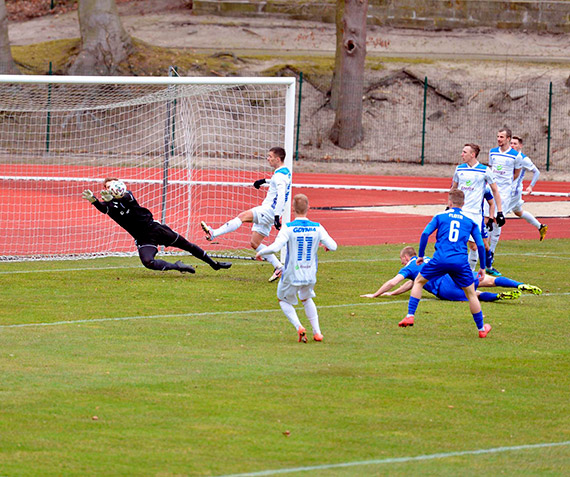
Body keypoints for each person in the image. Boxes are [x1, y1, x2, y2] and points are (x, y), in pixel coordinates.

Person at [82, 178, 231, 274]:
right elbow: (104, 208)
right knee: (148, 262)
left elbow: (126, 198)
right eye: (108, 187)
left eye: (114, 186)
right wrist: (94, 200)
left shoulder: (128, 195)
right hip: (142, 238)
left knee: (187, 245)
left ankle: (215, 264)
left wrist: (116, 197)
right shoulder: (109, 205)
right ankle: (178, 266)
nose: (111, 188)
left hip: (155, 229)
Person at [399, 189, 492, 338]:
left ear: (449, 202)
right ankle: (481, 329)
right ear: (464, 203)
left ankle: (410, 315)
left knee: (418, 281)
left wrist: (421, 256)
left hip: (440, 259)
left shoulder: (440, 216)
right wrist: (482, 267)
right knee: (471, 294)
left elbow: (424, 234)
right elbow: (480, 245)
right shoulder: (470, 221)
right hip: (460, 262)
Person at [201, 147, 292, 282]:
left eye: (270, 156)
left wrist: (277, 216)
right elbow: (277, 183)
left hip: (269, 211)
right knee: (255, 243)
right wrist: (263, 181)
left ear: (278, 159)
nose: (268, 159)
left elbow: (280, 194)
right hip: (271, 211)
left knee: (242, 217)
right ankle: (279, 266)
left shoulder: (279, 176)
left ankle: (214, 233)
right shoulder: (284, 172)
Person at [256, 194, 337, 342]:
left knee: (283, 300)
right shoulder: (318, 227)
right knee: (306, 298)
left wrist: (261, 252)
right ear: (309, 208)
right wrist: (325, 245)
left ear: (292, 209)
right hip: (310, 273)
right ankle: (317, 333)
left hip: (292, 273)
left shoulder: (288, 228)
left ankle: (299, 326)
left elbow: (276, 247)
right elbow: (333, 246)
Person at [360, 246, 542, 302]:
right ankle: (518, 284)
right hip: (452, 274)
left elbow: (395, 281)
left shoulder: (409, 265)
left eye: (401, 258)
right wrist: (392, 294)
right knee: (488, 280)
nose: (401, 262)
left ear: (406, 256)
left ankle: (499, 297)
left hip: (444, 288)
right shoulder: (428, 259)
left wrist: (375, 294)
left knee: (474, 295)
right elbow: (413, 283)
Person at [451, 143, 505, 271]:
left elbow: (495, 191)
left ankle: (473, 274)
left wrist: (500, 212)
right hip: (460, 212)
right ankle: (463, 274)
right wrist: (449, 206)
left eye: (464, 152)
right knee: (458, 244)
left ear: (473, 155)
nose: (461, 154)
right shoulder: (459, 169)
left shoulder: (485, 170)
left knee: (476, 246)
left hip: (475, 214)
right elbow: (453, 189)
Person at [486, 127, 523, 276]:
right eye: (498, 136)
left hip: (504, 193)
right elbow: (490, 168)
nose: (499, 139)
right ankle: (486, 252)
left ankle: (491, 253)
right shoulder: (493, 152)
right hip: (490, 190)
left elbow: (517, 173)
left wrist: (505, 184)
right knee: (487, 218)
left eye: (501, 137)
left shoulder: (516, 156)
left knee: (496, 220)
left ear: (508, 139)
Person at [510, 135, 548, 241]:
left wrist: (531, 186)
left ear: (520, 146)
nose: (512, 145)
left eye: (515, 144)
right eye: (511, 143)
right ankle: (540, 226)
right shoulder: (508, 156)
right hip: (507, 190)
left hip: (513, 192)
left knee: (497, 214)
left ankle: (488, 244)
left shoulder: (523, 159)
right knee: (518, 212)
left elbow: (536, 172)